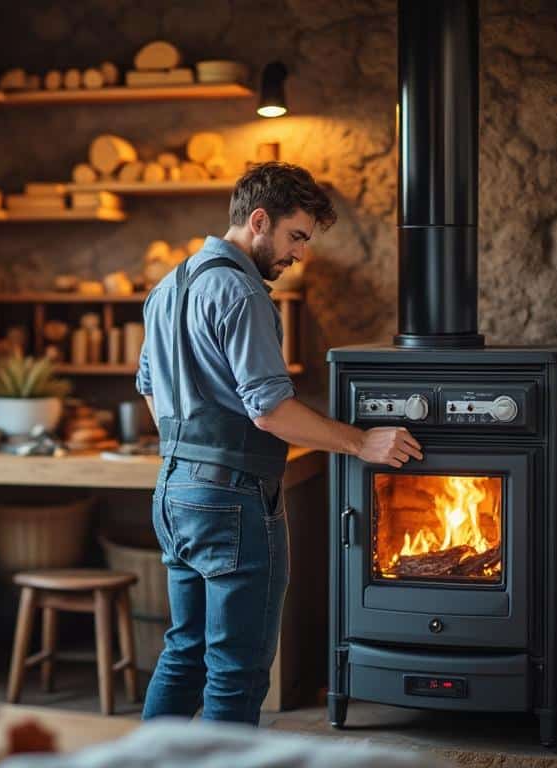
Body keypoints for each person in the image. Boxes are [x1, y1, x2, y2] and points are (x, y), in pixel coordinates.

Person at [136, 162, 423, 724]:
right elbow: (269, 411)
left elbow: (150, 389)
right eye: (295, 237)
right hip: (232, 499)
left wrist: (190, 443)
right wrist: (360, 442)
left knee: (184, 654)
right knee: (236, 670)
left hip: (173, 490)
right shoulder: (242, 292)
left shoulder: (167, 287)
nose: (299, 255)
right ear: (259, 220)